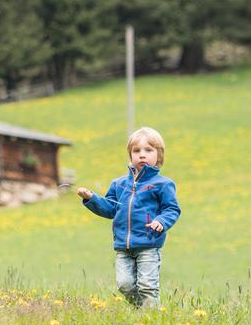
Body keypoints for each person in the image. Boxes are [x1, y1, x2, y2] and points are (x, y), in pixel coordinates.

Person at [77, 126, 182, 308]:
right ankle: (141, 311)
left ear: (159, 155)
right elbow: (110, 209)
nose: (142, 155)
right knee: (124, 285)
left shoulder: (163, 184)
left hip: (149, 245)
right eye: (137, 151)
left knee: (147, 286)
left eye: (148, 150)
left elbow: (172, 209)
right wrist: (91, 198)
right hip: (123, 247)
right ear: (130, 155)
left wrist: (161, 222)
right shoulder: (118, 184)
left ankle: (150, 320)